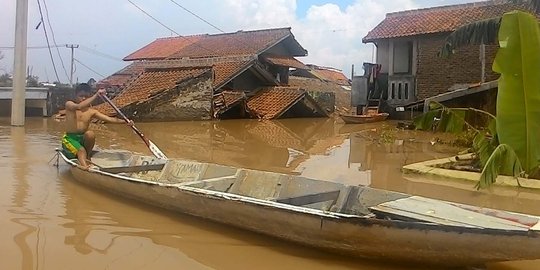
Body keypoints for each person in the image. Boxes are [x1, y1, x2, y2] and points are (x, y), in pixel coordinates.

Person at [61, 84, 131, 170]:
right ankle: (85, 167)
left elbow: (109, 119)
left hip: (81, 139)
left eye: (86, 96)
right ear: (75, 95)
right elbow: (79, 106)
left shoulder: (91, 112)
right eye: (81, 96)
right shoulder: (69, 105)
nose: (83, 98)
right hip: (70, 139)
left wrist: (125, 121)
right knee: (81, 150)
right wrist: (96, 95)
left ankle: (87, 156)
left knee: (90, 134)